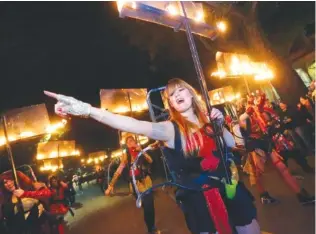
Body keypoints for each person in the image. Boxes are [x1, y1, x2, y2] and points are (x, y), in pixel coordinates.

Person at [44, 78, 260, 234]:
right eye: (172, 95)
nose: (177, 96)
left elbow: (233, 145)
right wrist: (88, 110)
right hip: (200, 200)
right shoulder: (169, 129)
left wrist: (220, 125)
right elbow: (132, 124)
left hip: (231, 189)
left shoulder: (209, 120)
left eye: (180, 90)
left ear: (191, 93)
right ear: (171, 104)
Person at [105, 135, 159, 234]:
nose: (130, 143)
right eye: (128, 142)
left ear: (135, 142)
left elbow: (150, 160)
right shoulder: (126, 156)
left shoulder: (141, 152)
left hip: (146, 182)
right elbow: (119, 170)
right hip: (136, 186)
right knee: (147, 207)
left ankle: (151, 228)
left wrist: (141, 151)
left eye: (132, 141)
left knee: (149, 207)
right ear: (126, 145)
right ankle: (151, 227)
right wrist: (111, 185)